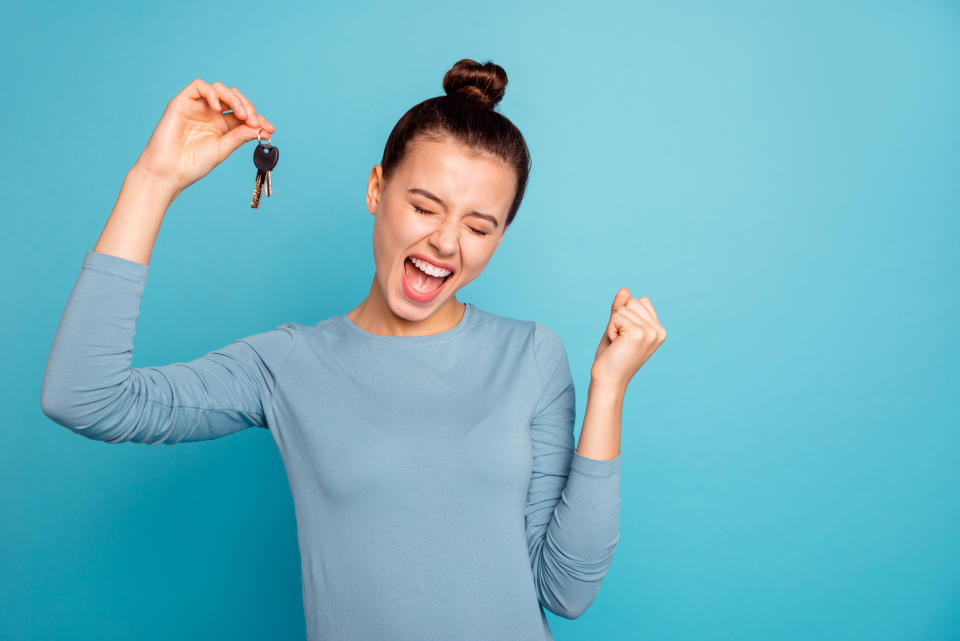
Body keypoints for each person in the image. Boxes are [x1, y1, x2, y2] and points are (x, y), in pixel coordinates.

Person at [41, 58, 667, 641]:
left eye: (480, 227)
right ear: (377, 190)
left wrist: (608, 389)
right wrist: (153, 180)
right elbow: (85, 398)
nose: (447, 241)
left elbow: (566, 590)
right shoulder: (287, 365)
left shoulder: (530, 355)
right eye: (424, 206)